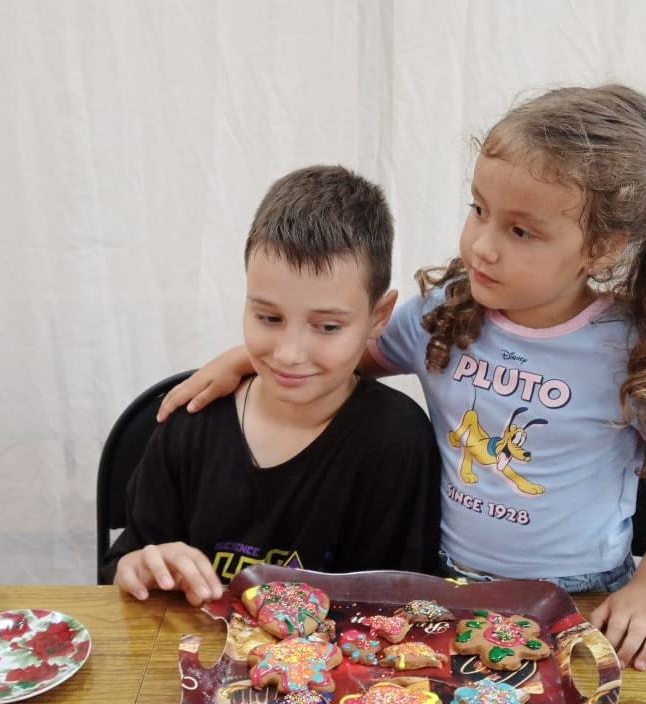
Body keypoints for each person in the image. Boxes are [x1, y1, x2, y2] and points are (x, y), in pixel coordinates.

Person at [155, 84, 646, 670]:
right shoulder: (444, 313)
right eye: (479, 210)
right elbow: (336, 353)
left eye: (521, 231)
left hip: (579, 598)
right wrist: (243, 359)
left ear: (603, 247)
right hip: (443, 587)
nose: (481, 246)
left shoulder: (637, 350)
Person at [101, 164, 441, 605]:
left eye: (327, 326)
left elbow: (399, 607)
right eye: (268, 317)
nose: (289, 354)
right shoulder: (192, 422)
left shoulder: (396, 441)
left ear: (379, 316)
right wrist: (138, 567)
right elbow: (124, 566)